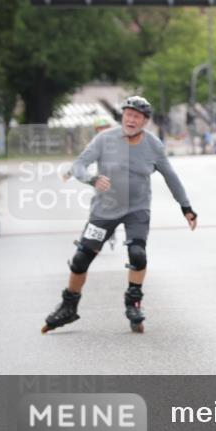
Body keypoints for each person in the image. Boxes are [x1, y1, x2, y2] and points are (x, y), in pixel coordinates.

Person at [42, 96, 198, 334]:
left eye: (137, 116)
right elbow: (79, 166)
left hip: (137, 209)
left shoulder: (154, 145)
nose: (131, 119)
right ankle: (68, 306)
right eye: (128, 114)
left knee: (137, 254)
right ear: (122, 116)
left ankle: (133, 304)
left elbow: (170, 176)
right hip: (104, 210)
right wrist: (92, 179)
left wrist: (185, 207)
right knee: (81, 258)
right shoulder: (104, 139)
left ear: (145, 121)